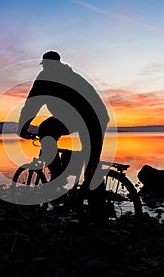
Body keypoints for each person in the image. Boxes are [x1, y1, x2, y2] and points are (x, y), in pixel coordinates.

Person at [17, 51, 109, 218]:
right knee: (92, 163)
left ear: (45, 64)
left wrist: (23, 127)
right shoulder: (70, 74)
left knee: (46, 129)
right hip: (97, 117)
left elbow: (32, 104)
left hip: (83, 117)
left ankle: (58, 181)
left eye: (45, 65)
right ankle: (98, 212)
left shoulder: (45, 78)